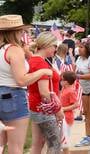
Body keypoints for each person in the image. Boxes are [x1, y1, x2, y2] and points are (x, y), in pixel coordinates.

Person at [0, 15, 53, 154]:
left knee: (1, 143)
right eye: (21, 31)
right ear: (16, 32)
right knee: (15, 145)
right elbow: (21, 80)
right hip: (13, 96)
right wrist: (42, 71)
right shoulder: (14, 50)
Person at [28, 32, 64, 154]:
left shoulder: (34, 60)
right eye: (54, 46)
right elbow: (44, 92)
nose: (55, 49)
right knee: (55, 144)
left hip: (35, 106)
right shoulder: (40, 63)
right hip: (44, 108)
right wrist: (57, 109)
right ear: (47, 45)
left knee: (37, 143)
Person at [75, 42, 90, 147]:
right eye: (78, 47)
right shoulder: (79, 59)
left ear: (87, 48)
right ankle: (88, 137)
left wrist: (78, 76)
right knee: (86, 113)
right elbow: (75, 71)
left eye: (81, 47)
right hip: (85, 88)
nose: (78, 49)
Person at [60, 71, 78, 154]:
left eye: (61, 79)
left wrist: (63, 109)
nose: (60, 81)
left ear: (66, 82)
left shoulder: (71, 91)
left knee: (65, 141)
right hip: (62, 117)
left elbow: (76, 105)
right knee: (62, 140)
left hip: (67, 118)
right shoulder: (64, 89)